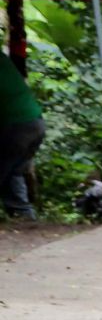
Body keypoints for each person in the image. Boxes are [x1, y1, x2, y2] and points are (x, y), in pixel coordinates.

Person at [1, 47, 44, 220]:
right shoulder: (3, 59)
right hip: (36, 124)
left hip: (17, 127)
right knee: (14, 171)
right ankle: (24, 216)